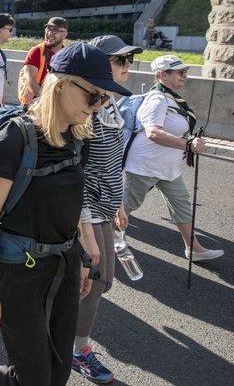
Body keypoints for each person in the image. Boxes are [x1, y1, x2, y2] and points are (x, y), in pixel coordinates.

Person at [0, 43, 132, 386]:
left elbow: (71, 202)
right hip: (18, 271)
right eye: (93, 96)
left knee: (57, 373)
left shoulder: (79, 136)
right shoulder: (15, 136)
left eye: (103, 99)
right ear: (61, 86)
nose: (98, 106)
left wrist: (83, 257)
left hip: (63, 266)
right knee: (34, 378)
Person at [70, 35, 143, 384]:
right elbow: (77, 171)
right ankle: (76, 349)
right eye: (120, 60)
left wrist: (119, 206)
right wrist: (86, 230)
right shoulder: (88, 108)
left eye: (128, 61)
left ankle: (68, 339)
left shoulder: (113, 101)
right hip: (86, 208)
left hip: (106, 204)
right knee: (93, 283)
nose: (127, 66)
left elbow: (115, 162)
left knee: (102, 282)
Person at [122, 55, 224, 261]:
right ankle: (102, 243)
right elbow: (153, 132)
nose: (184, 76)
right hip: (145, 166)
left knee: (181, 204)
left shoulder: (171, 98)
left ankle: (193, 248)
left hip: (168, 168)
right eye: (179, 72)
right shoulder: (157, 99)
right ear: (162, 75)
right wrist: (187, 145)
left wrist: (188, 141)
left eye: (185, 72)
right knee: (124, 208)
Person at [18, 17, 68, 103]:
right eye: (48, 29)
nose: (49, 34)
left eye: (55, 30)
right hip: (35, 106)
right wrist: (48, 101)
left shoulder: (67, 55)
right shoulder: (37, 51)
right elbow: (30, 81)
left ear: (64, 35)